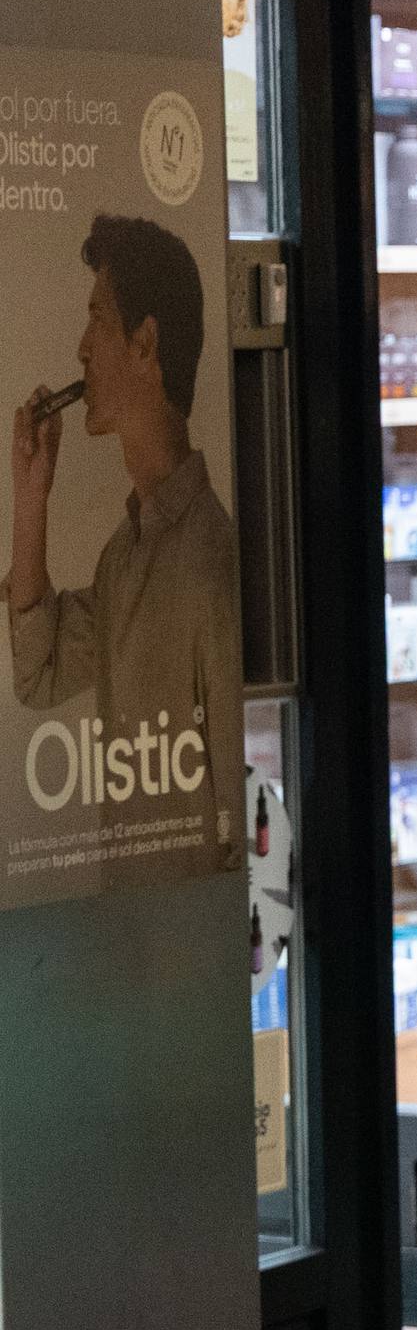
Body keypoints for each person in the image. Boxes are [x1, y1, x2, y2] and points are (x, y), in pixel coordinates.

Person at [10, 215, 243, 866]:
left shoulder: (211, 562)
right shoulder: (123, 556)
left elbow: (235, 834)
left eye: (98, 321)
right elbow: (41, 672)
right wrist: (32, 498)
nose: (81, 348)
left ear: (145, 344)